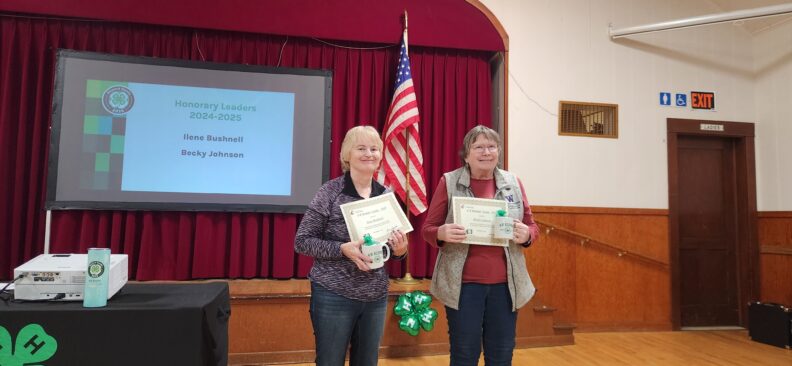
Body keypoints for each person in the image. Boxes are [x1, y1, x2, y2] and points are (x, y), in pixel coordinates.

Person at [421, 125, 539, 366]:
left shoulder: (513, 182)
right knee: (464, 355)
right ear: (466, 154)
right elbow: (428, 230)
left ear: (499, 151)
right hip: (464, 287)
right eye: (479, 147)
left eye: (492, 146)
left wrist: (527, 234)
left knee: (502, 355)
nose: (486, 152)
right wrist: (442, 233)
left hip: (506, 287)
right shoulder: (450, 181)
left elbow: (532, 226)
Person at [295, 125, 409, 366]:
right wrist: (341, 249)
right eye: (361, 148)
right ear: (347, 154)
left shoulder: (386, 196)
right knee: (330, 361)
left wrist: (400, 251)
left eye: (374, 148)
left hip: (375, 295)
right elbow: (302, 241)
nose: (369, 153)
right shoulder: (330, 192)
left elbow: (390, 248)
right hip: (333, 294)